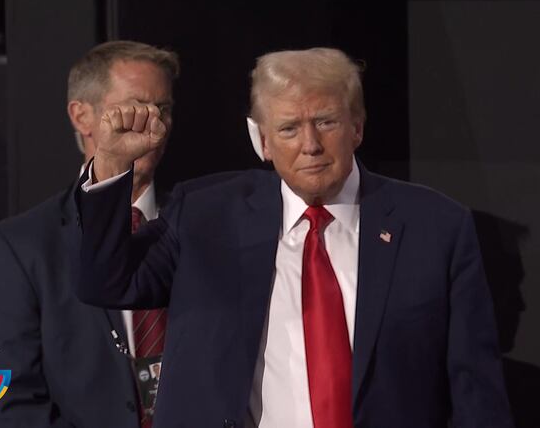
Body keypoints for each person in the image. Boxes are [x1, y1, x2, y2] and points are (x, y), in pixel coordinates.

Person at [74, 47, 513, 428]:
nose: (310, 145)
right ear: (262, 140)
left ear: (357, 127)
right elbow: (109, 282)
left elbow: (475, 388)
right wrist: (111, 165)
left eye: (326, 122)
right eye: (288, 128)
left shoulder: (435, 227)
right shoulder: (207, 215)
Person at [0, 40, 179, 428]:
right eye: (134, 108)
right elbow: (10, 407)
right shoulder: (19, 247)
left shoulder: (199, 226)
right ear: (82, 116)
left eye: (163, 109)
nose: (153, 125)